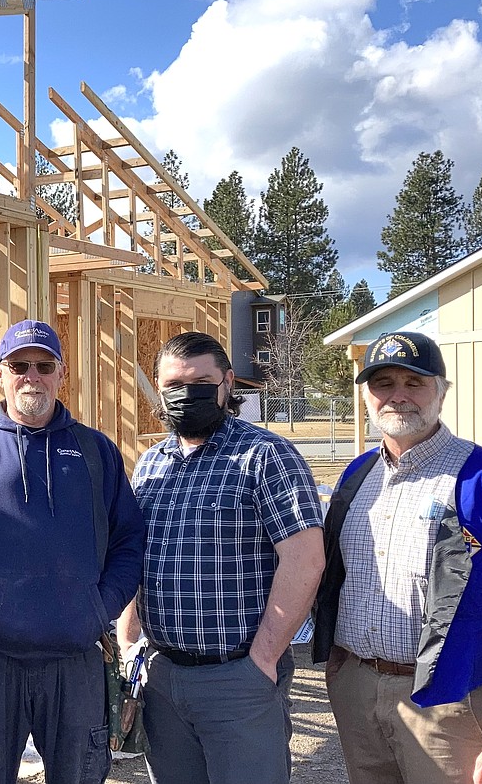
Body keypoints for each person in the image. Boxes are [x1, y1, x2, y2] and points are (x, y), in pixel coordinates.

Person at [0, 319, 145, 784]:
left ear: (62, 373)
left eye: (44, 365)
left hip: (76, 658)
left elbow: (129, 541)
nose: (32, 376)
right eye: (20, 365)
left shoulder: (95, 451)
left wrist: (98, 608)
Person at [313, 331, 482, 784]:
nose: (398, 396)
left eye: (414, 382)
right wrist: (339, 660)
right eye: (383, 383)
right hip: (357, 690)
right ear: (367, 396)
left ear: (442, 392)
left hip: (450, 704)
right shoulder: (357, 475)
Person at [117, 331, 325, 784]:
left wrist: (263, 659)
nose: (186, 396)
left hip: (238, 678)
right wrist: (128, 643)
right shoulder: (152, 463)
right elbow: (134, 555)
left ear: (228, 383)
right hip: (162, 676)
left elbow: (305, 560)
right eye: (173, 386)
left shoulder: (266, 456)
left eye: (201, 383)